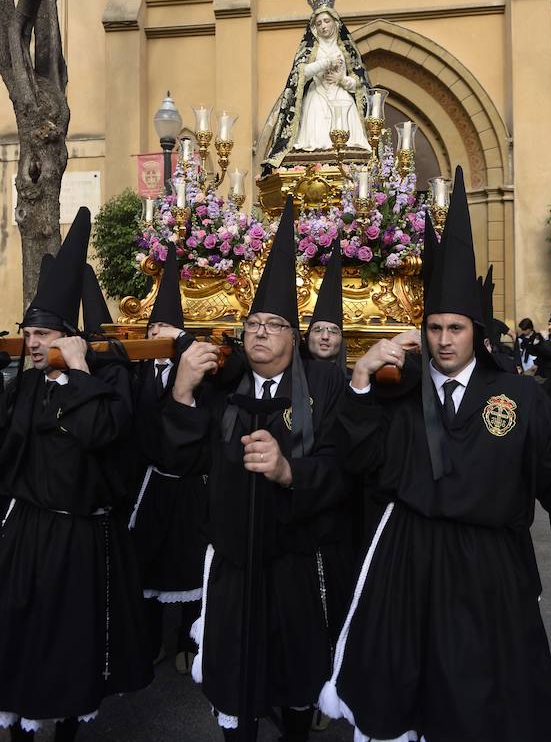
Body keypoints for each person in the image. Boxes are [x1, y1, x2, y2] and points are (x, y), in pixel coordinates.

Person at [318, 166, 551, 742]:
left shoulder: (521, 397)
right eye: (434, 328)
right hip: (409, 563)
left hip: (490, 570)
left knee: (485, 705)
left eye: (455, 328)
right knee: (405, 697)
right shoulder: (398, 391)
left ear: (476, 331)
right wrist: (363, 381)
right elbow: (356, 461)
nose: (444, 340)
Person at [159, 197, 352, 741]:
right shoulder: (224, 392)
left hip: (294, 565)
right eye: (253, 324)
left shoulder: (322, 392)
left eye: (274, 325)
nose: (260, 332)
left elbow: (343, 471)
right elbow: (179, 461)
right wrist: (181, 390)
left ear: (296, 336)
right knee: (234, 684)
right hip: (233, 570)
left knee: (294, 680)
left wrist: (290, 473)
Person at [0, 208, 152, 741]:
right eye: (30, 333)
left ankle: (67, 727)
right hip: (27, 532)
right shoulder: (22, 386)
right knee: (17, 632)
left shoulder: (104, 384)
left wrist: (81, 372)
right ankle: (17, 727)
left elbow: (103, 435)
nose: (36, 343)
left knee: (70, 641)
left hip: (80, 536)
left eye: (46, 334)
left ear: (69, 338)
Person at [128, 243, 208, 674]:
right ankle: (152, 639)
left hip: (189, 486)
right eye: (154, 325)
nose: (159, 332)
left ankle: (185, 642)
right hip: (149, 481)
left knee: (187, 562)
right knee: (149, 563)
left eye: (169, 328)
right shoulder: (135, 372)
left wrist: (185, 346)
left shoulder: (195, 372)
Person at [262, 0, 371, 173]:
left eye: (327, 21)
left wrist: (342, 80)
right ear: (314, 27)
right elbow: (300, 74)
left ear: (335, 23)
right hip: (317, 97)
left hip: (341, 98)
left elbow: (359, 84)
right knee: (313, 143)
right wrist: (325, 63)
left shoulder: (346, 50)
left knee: (351, 145)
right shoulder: (310, 49)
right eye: (319, 23)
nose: (323, 26)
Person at [303, 238, 346, 369]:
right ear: (307, 337)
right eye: (318, 330)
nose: (325, 337)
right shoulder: (289, 382)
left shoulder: (355, 382)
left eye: (333, 332)